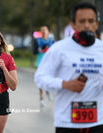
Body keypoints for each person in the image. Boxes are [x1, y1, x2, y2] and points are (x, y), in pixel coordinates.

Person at [34, 2, 103, 133]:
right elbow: (39, 78)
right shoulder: (59, 48)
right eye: (82, 21)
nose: (87, 25)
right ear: (73, 24)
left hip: (98, 121)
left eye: (91, 21)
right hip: (68, 122)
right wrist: (64, 84)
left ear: (96, 24)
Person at [33, 26, 55, 107]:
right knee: (40, 80)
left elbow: (55, 51)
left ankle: (48, 91)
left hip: (49, 63)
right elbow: (34, 52)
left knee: (48, 78)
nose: (43, 32)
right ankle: (41, 98)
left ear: (48, 32)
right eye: (42, 31)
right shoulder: (37, 41)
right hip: (39, 62)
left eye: (45, 30)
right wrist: (40, 49)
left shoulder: (51, 40)